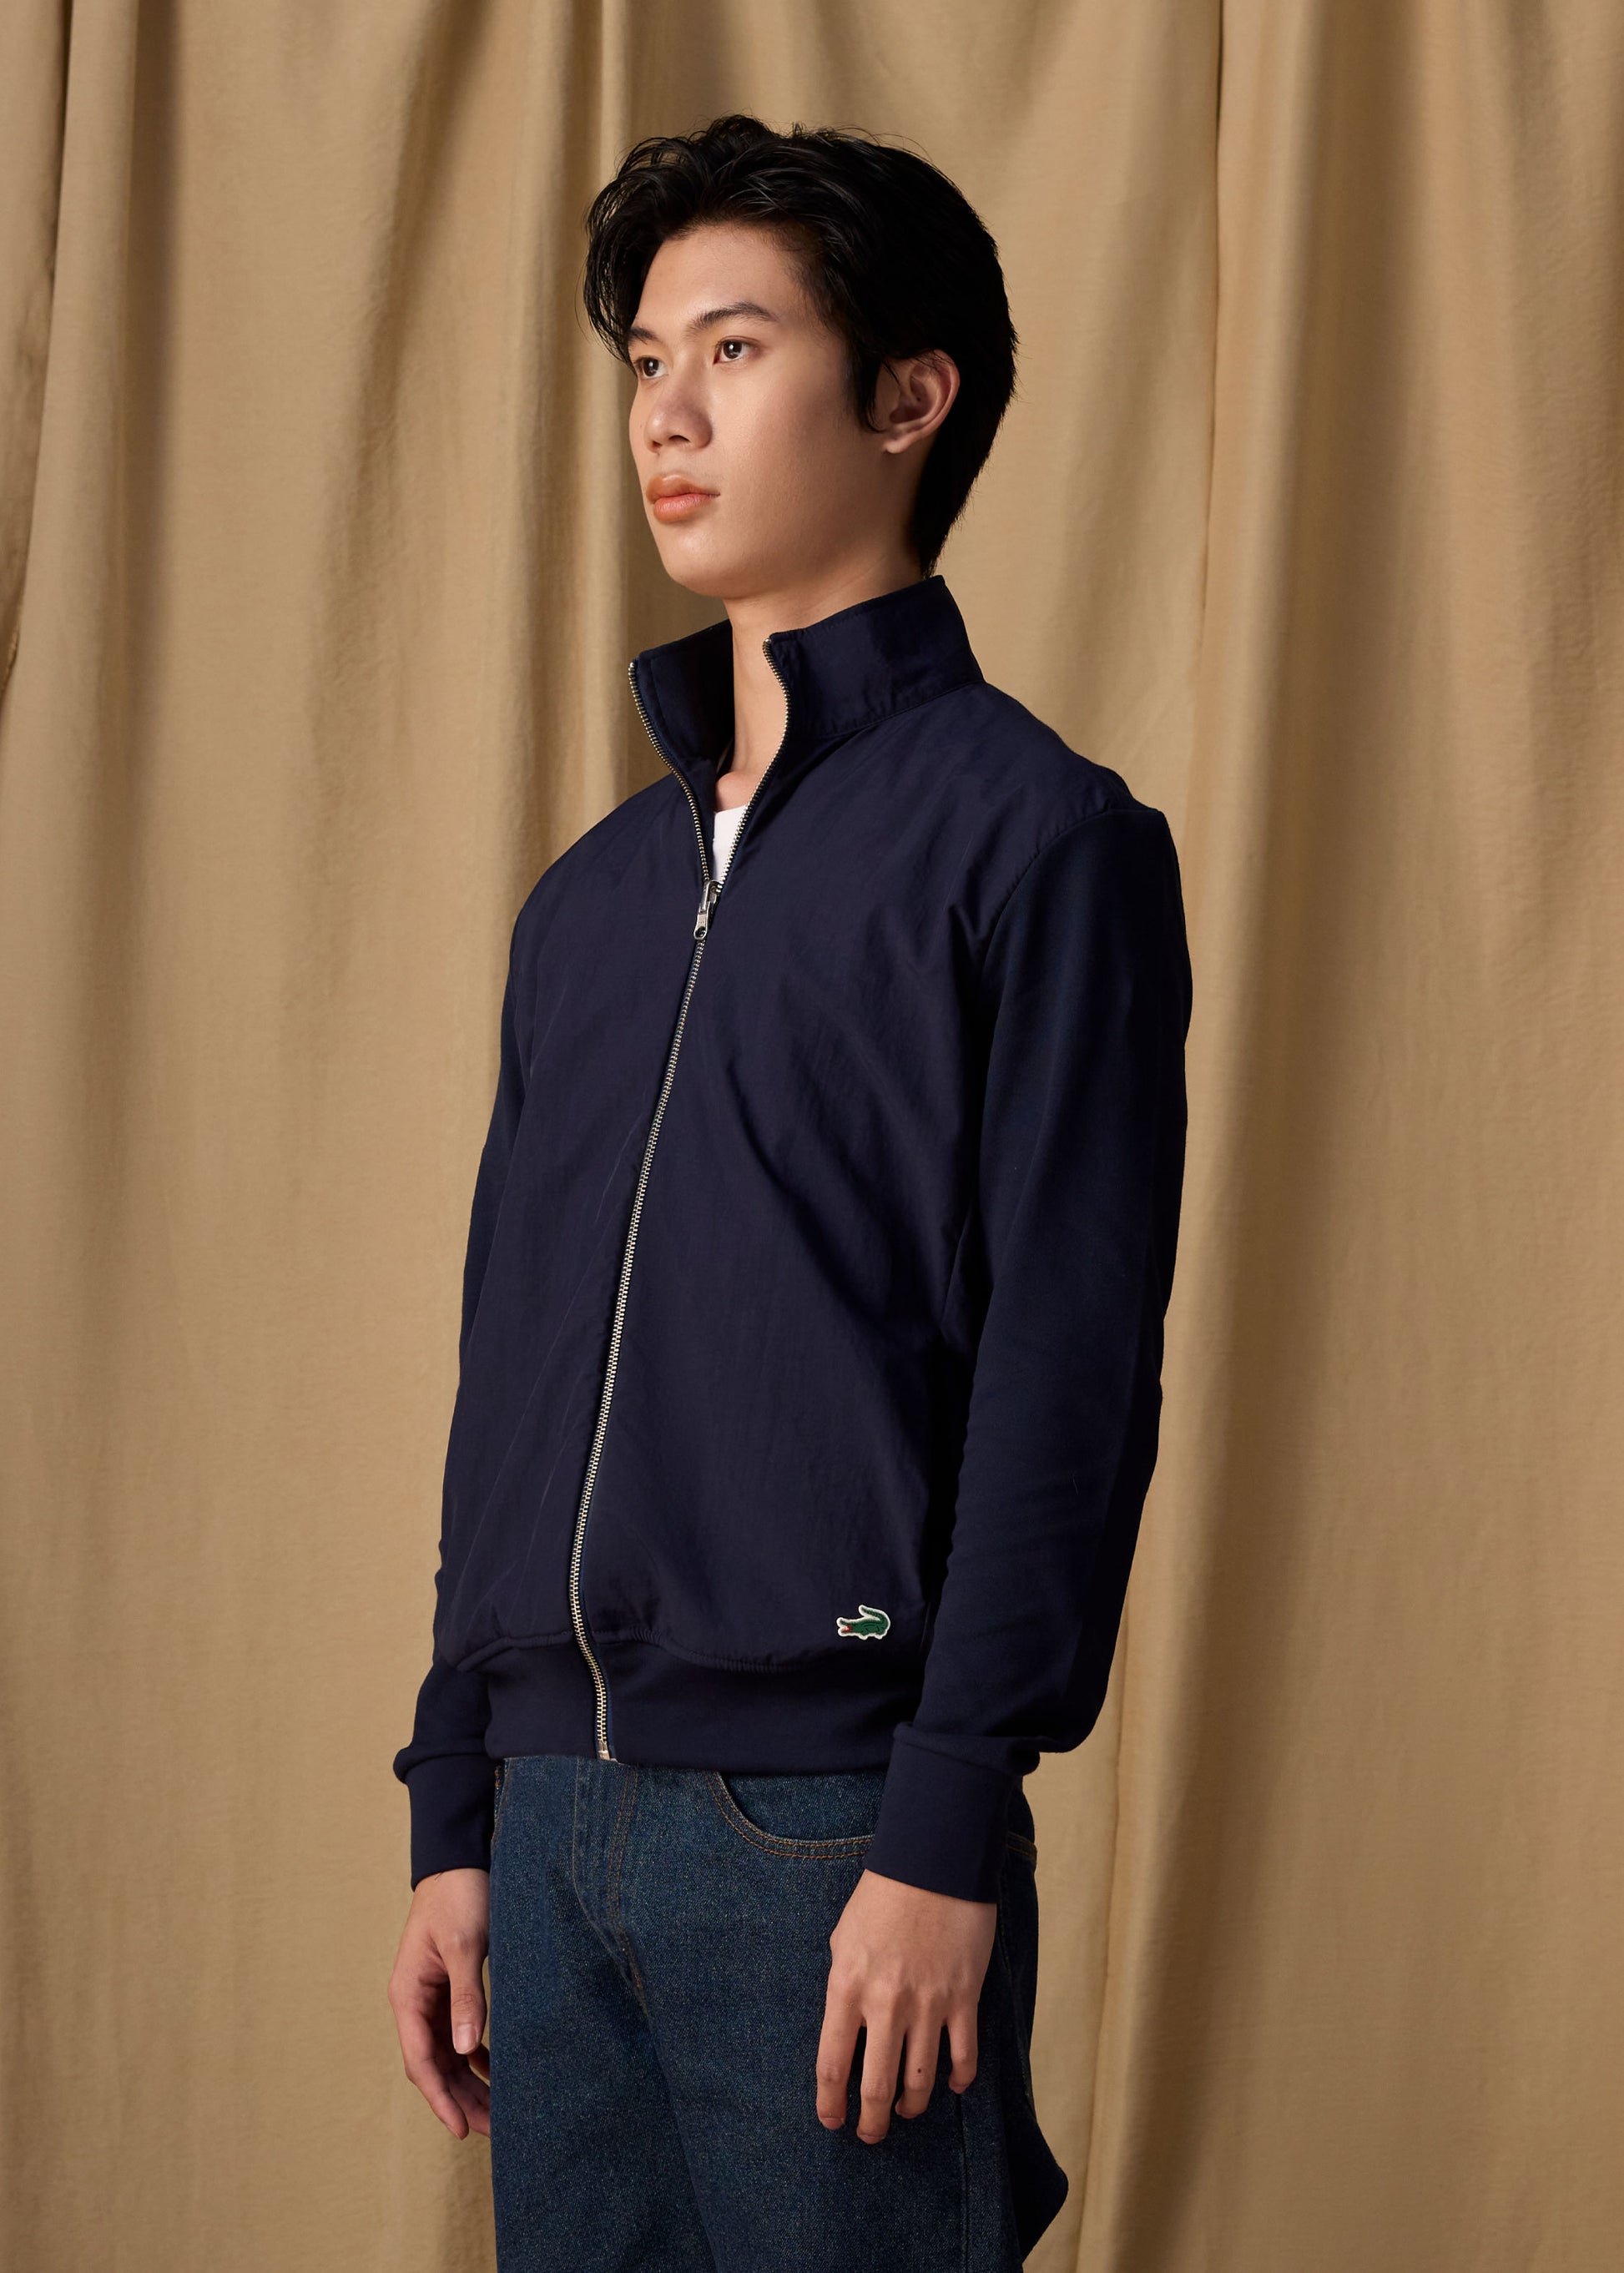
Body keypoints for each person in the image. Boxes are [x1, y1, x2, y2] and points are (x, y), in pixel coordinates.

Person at [386, 113, 1191, 2271]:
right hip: (547, 1828)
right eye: (647, 362)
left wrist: (946, 1820)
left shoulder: (1041, 844)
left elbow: (1068, 1371)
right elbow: (507, 1374)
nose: (666, 414)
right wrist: (457, 1800)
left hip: (832, 1825)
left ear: (908, 397)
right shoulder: (588, 901)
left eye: (733, 351)